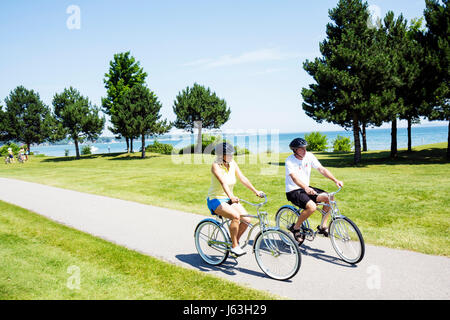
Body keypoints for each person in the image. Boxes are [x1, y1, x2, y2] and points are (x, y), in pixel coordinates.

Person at [207, 142, 264, 257]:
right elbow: (223, 182)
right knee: (235, 216)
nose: (231, 156)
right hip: (215, 199)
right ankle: (234, 246)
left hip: (228, 199)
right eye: (228, 154)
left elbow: (242, 178)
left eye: (232, 154)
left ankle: (234, 243)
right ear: (220, 155)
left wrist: (255, 191)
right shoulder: (216, 165)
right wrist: (231, 196)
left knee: (247, 220)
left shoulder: (232, 163)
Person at [285, 138, 343, 245]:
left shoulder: (309, 156)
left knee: (329, 197)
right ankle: (296, 227)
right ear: (295, 150)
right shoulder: (289, 161)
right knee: (312, 207)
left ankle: (323, 226)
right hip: (293, 190)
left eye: (305, 148)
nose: (304, 150)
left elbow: (322, 169)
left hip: (306, 188)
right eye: (301, 149)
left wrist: (335, 180)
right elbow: (294, 178)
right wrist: (305, 188)